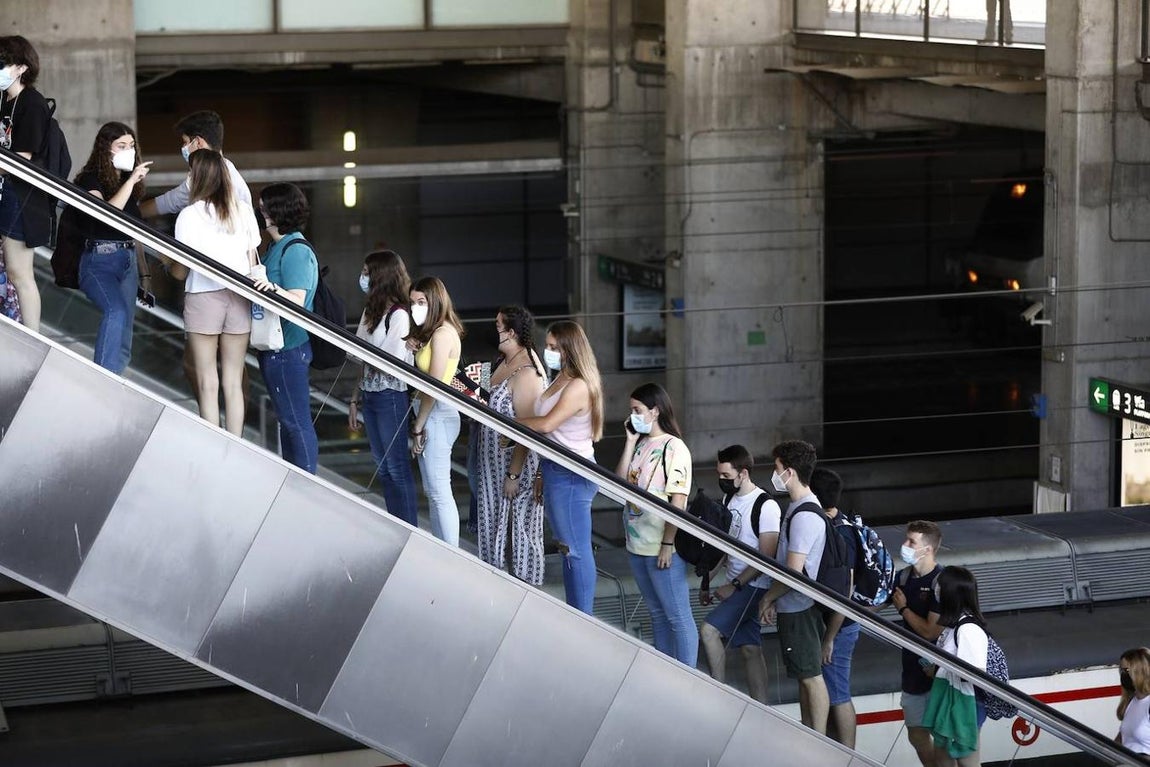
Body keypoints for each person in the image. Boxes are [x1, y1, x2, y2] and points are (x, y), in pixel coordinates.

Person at [518, 320, 603, 614]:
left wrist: (509, 424)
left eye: (555, 347)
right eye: (548, 346)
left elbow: (547, 425)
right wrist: (542, 470)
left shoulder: (578, 385)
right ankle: (576, 612)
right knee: (567, 548)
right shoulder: (560, 378)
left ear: (570, 349)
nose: (548, 351)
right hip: (556, 468)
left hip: (573, 473)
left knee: (574, 550)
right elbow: (553, 435)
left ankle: (582, 617)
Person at [174, 149, 260, 436]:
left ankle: (213, 443)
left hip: (203, 296)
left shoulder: (189, 215)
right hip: (240, 294)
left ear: (197, 177)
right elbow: (252, 260)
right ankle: (236, 443)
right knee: (233, 380)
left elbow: (182, 268)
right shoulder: (243, 211)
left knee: (207, 380)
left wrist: (166, 264)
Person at [615, 383, 696, 667]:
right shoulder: (641, 444)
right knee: (657, 613)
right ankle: (666, 669)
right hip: (637, 544)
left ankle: (688, 676)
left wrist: (667, 543)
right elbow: (620, 482)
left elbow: (678, 501)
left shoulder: (674, 448)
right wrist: (629, 442)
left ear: (655, 411)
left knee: (677, 616)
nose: (633, 416)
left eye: (637, 410)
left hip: (660, 546)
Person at [758, 439, 831, 734]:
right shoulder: (799, 507)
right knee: (803, 674)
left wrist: (768, 598)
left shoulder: (804, 515)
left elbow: (793, 572)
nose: (774, 474)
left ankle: (819, 738)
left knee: (810, 675)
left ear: (789, 472)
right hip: (794, 604)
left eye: (777, 468)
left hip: (800, 607)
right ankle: (809, 731)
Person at [699, 444, 779, 702]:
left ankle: (719, 696)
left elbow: (766, 558)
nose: (721, 480)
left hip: (754, 586)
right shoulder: (728, 500)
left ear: (743, 474)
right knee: (750, 649)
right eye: (719, 475)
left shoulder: (766, 506)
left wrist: (734, 585)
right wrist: (708, 579)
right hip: (738, 583)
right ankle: (762, 705)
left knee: (709, 631)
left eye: (726, 476)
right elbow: (726, 548)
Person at [71, 122, 152, 373]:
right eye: (121, 146)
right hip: (99, 260)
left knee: (125, 331)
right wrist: (132, 181)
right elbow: (106, 214)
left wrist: (145, 273)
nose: (129, 151)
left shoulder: (127, 182)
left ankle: (115, 380)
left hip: (129, 260)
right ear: (106, 148)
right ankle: (102, 380)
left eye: (131, 145)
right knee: (115, 311)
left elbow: (134, 232)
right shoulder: (90, 179)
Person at [476, 305, 547, 584]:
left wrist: (513, 474)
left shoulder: (528, 372)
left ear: (512, 332)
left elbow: (528, 428)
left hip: (512, 468)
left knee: (516, 531)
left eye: (498, 326)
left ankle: (521, 585)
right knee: (493, 525)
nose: (494, 330)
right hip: (489, 465)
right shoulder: (501, 361)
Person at [251, 183, 319, 473]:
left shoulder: (295, 250)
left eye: (263, 207)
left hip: (288, 348)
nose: (259, 211)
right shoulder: (275, 247)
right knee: (288, 422)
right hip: (276, 347)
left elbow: (297, 300)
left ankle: (305, 484)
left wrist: (272, 288)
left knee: (295, 422)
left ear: (277, 211)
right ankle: (295, 479)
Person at [349, 250, 419, 526]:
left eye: (367, 273)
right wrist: (354, 399)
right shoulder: (371, 311)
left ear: (381, 276)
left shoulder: (399, 315)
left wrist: (367, 356)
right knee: (383, 468)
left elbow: (387, 362)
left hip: (391, 396)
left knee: (396, 467)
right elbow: (356, 355)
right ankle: (396, 525)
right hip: (369, 395)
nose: (363, 278)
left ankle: (409, 527)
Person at [407, 276, 464, 545]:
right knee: (433, 491)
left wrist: (419, 425)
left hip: (437, 414)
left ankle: (451, 553)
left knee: (440, 491)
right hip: (432, 413)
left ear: (435, 301)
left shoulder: (442, 334)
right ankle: (441, 547)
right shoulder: (436, 333)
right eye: (412, 302)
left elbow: (434, 386)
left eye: (421, 302)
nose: (415, 308)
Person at [0, 35, 51, 332]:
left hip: (19, 195)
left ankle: (33, 337)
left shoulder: (32, 103)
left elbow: (21, 158)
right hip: (6, 193)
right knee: (12, 271)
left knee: (19, 271)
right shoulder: (5, 101)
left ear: (21, 68)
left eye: (2, 64)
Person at [811, 466, 860, 748]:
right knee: (831, 691)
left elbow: (845, 594)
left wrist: (829, 638)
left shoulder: (842, 533)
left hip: (840, 626)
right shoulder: (834, 524)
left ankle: (849, 756)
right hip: (832, 624)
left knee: (839, 693)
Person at [922, 566, 989, 767]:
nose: (936, 591)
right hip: (951, 699)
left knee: (967, 761)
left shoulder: (968, 629)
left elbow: (974, 674)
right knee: (943, 757)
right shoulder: (954, 625)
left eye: (940, 587)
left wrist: (939, 669)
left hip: (965, 703)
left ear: (950, 593)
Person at [892, 519, 945, 767]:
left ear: (928, 549)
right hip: (912, 669)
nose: (905, 545)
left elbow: (930, 631)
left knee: (943, 736)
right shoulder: (903, 577)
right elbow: (876, 603)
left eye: (912, 542)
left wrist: (903, 609)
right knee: (916, 732)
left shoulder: (941, 583)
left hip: (938, 672)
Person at [141, 110, 250, 218]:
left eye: (185, 142)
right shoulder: (205, 175)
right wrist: (133, 213)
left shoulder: (221, 181)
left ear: (198, 142)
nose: (183, 148)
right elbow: (169, 201)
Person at [1117, 647, 1150, 756]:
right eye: (1121, 671)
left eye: (1127, 671)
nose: (1123, 675)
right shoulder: (1131, 701)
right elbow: (1122, 738)